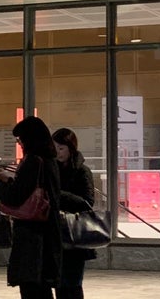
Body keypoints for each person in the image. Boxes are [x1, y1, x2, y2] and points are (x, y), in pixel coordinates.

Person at [0, 116, 62, 299]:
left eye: (20, 139)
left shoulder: (33, 161)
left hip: (32, 235)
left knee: (31, 288)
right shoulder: (49, 160)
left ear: (30, 138)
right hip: (47, 231)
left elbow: (14, 198)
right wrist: (11, 179)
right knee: (42, 287)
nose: (19, 143)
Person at [52, 127, 96, 299]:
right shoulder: (52, 169)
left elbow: (87, 202)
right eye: (54, 147)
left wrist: (58, 193)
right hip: (56, 233)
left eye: (61, 148)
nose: (58, 152)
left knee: (73, 283)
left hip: (75, 234)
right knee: (59, 283)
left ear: (71, 148)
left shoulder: (82, 171)